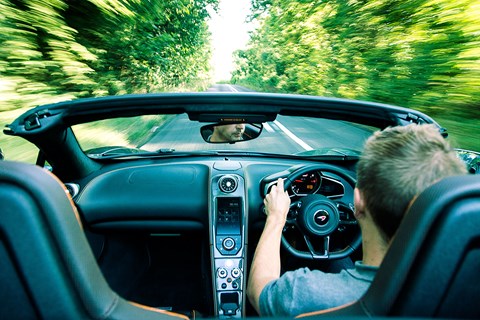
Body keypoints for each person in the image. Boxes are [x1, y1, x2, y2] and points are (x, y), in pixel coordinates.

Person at [246, 124, 467, 317]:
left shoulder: (304, 294)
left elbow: (259, 291)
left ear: (358, 200)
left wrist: (276, 217)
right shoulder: (465, 290)